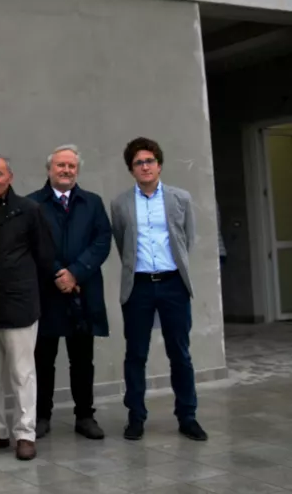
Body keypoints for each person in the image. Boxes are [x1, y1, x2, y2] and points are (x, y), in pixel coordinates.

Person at [110, 137, 208, 442]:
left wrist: (171, 269)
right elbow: (121, 242)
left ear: (159, 164)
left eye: (149, 160)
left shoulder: (181, 198)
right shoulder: (120, 203)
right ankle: (136, 417)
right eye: (138, 162)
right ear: (131, 169)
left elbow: (187, 239)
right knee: (135, 353)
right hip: (138, 286)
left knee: (179, 352)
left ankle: (187, 416)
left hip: (173, 284)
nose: (145, 166)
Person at [0, 155, 53, 461]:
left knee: (22, 374)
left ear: (10, 176)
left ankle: (25, 433)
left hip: (19, 305)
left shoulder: (30, 210)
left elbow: (45, 256)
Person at [28, 145, 111, 441]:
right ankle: (41, 416)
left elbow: (102, 241)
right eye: (60, 165)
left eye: (71, 166)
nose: (66, 170)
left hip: (82, 292)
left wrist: (76, 271)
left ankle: (85, 416)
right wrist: (57, 273)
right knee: (43, 359)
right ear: (49, 169)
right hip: (47, 293)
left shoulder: (93, 203)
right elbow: (33, 244)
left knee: (82, 359)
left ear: (77, 170)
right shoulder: (33, 204)